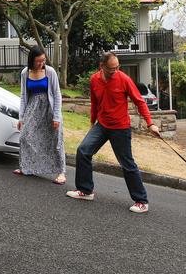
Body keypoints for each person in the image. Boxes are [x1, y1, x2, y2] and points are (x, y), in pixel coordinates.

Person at [66, 51, 160, 213]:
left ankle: (141, 201)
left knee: (127, 163)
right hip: (102, 125)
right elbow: (95, 103)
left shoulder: (124, 79)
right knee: (83, 151)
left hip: (120, 127)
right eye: (111, 68)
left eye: (117, 67)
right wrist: (92, 122)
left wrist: (150, 123)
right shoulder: (94, 79)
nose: (115, 71)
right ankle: (85, 190)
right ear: (101, 66)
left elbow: (139, 101)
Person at [13, 46, 66, 184]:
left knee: (55, 140)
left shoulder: (50, 71)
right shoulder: (25, 72)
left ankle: (61, 172)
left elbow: (57, 94)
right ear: (32, 60)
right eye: (38, 61)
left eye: (43, 60)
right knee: (25, 136)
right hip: (33, 109)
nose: (41, 63)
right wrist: (21, 118)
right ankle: (27, 167)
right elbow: (23, 96)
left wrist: (56, 116)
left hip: (49, 109)